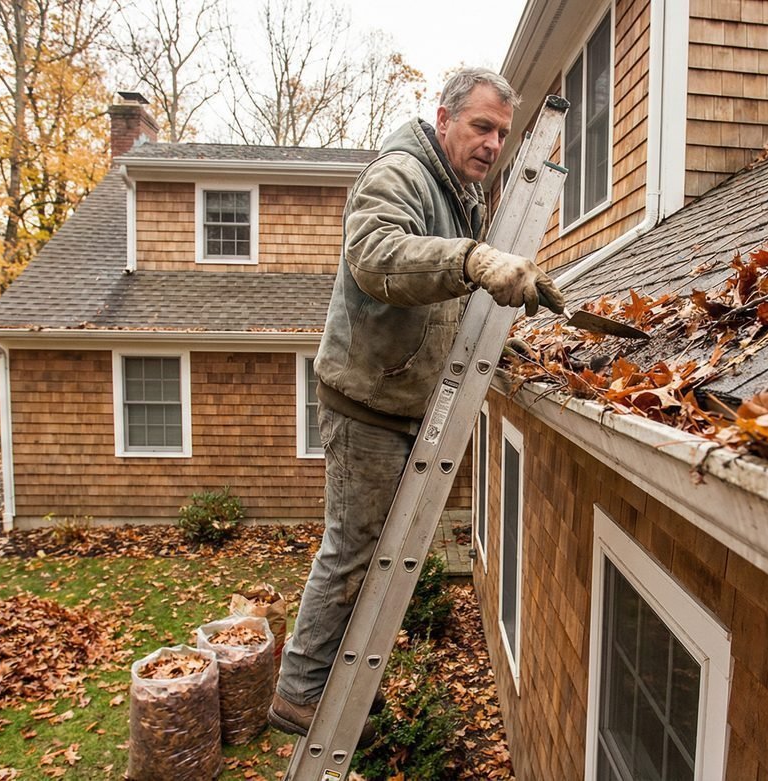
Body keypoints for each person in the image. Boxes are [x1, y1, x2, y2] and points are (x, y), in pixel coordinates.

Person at [268, 67, 565, 743]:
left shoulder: (461, 194)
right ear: (444, 118)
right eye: (481, 126)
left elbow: (448, 303)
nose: (493, 143)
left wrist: (500, 347)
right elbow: (377, 257)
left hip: (404, 400)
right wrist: (472, 260)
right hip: (366, 401)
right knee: (350, 549)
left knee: (374, 555)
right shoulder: (400, 174)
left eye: (502, 132)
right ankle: (300, 692)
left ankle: (338, 686)